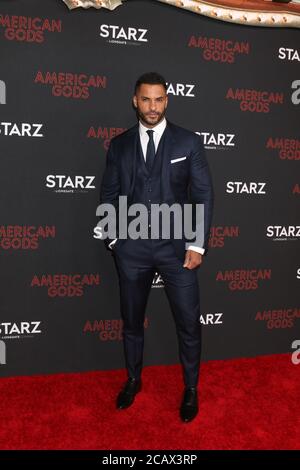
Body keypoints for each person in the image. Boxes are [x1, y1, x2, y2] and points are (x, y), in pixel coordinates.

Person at [99, 72, 214, 422]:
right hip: (132, 250)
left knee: (189, 323)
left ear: (167, 100)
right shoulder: (118, 145)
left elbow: (203, 194)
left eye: (158, 99)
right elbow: (108, 194)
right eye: (145, 99)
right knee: (131, 321)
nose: (152, 106)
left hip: (176, 248)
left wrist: (197, 244)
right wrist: (115, 239)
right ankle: (133, 379)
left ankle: (191, 387)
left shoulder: (188, 142)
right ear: (135, 100)